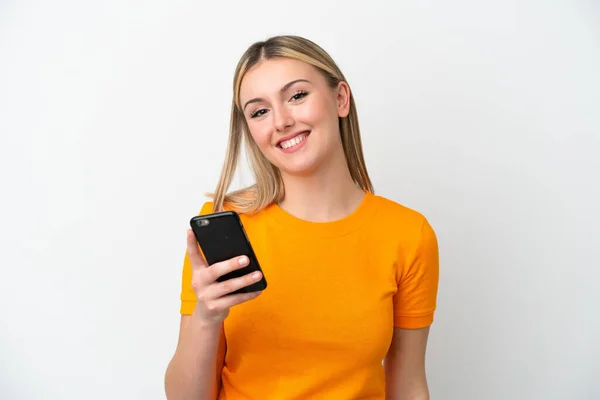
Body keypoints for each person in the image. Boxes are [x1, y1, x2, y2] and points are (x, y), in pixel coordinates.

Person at [164, 35, 439, 400]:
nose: (281, 121)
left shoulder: (407, 233)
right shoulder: (226, 223)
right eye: (259, 111)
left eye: (296, 96)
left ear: (340, 98)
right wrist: (205, 317)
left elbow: (407, 385)